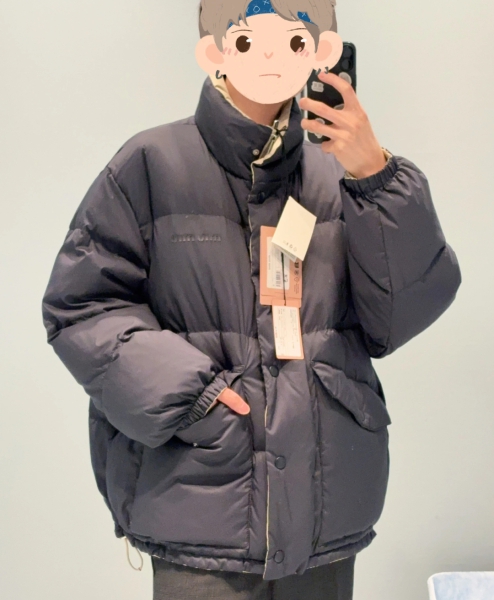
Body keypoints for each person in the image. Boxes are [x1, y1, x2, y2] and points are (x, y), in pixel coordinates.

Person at [41, 1, 462, 598]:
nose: (269, 56)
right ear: (214, 52)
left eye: (293, 42)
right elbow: (82, 305)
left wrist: (375, 176)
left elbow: (396, 318)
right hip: (200, 501)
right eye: (245, 41)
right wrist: (194, 399)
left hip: (325, 500)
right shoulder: (152, 164)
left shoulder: (342, 179)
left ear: (322, 53)